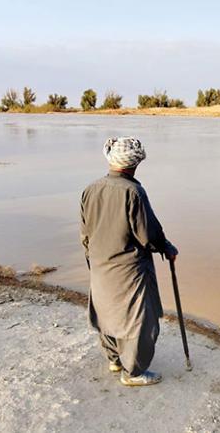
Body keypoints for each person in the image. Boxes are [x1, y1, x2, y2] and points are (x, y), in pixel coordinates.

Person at [80, 136, 178, 386]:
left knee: (106, 312)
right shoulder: (134, 191)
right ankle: (132, 372)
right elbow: (148, 234)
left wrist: (93, 261)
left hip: (100, 265)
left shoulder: (90, 189)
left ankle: (114, 359)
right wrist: (166, 247)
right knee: (139, 321)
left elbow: (85, 233)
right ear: (134, 164)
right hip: (129, 270)